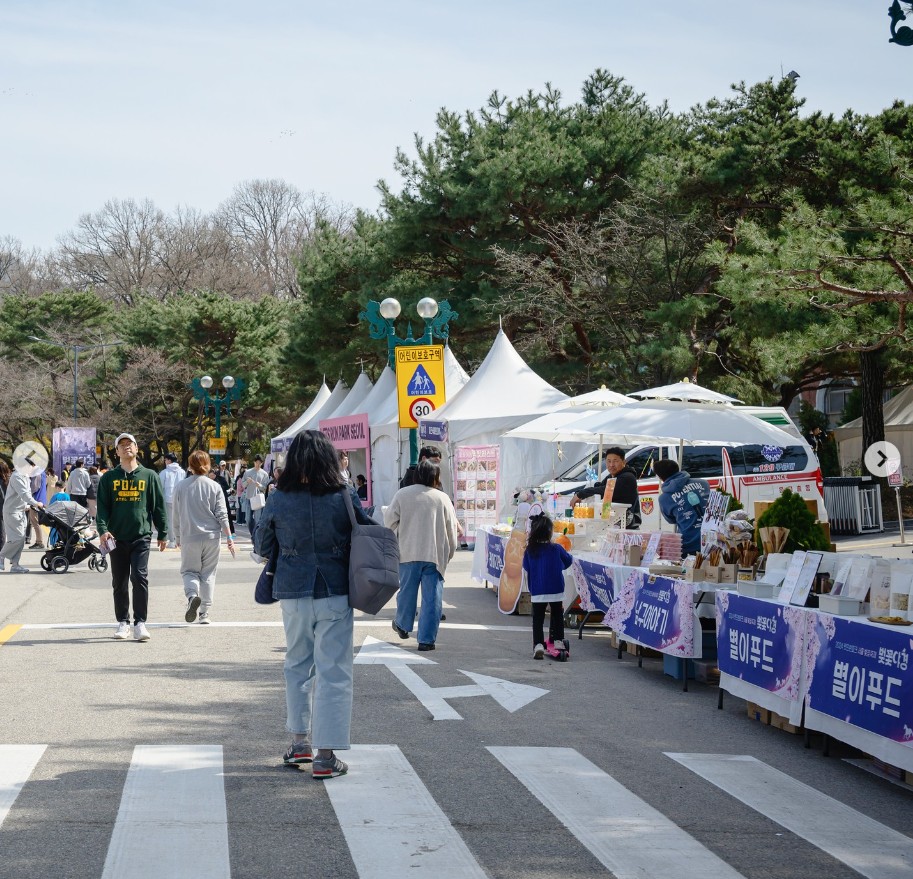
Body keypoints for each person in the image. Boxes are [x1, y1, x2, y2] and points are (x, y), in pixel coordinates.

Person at [257, 430, 374, 779]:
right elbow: (366, 530)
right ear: (328, 459)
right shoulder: (342, 494)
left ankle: (299, 743)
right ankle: (325, 756)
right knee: (333, 671)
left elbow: (264, 543)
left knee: (297, 665)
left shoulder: (279, 497)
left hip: (292, 590)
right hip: (335, 590)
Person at [96, 433, 168, 642]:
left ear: (136, 449)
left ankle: (140, 623)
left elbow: (158, 506)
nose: (126, 447)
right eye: (122, 445)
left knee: (139, 576)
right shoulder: (109, 478)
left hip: (141, 537)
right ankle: (123, 622)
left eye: (130, 444)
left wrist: (163, 532)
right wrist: (102, 530)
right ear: (116, 452)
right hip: (116, 538)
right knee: (119, 581)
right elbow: (102, 508)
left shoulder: (149, 476)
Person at [385, 459, 458, 652]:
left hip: (408, 552)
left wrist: (394, 544)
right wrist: (449, 553)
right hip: (434, 556)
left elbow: (389, 523)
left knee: (407, 592)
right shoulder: (442, 498)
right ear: (436, 478)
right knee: (432, 599)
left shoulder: (402, 495)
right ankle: (426, 640)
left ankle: (402, 624)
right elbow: (451, 530)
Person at [173, 451, 233, 625]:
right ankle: (204, 613)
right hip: (212, 536)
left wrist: (177, 536)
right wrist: (229, 536)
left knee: (189, 571)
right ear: (207, 465)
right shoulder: (214, 486)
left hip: (189, 535)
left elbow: (175, 515)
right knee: (208, 573)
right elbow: (222, 514)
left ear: (190, 466)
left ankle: (192, 596)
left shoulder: (181, 486)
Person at [523, 513, 572, 660]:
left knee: (538, 618)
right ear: (550, 532)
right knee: (557, 615)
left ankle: (538, 644)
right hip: (556, 588)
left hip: (538, 590)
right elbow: (569, 561)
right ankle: (558, 640)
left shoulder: (530, 551)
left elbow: (526, 567)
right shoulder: (556, 548)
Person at [571, 446, 642, 529]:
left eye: (615, 461)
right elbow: (598, 487)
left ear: (624, 462)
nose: (611, 465)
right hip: (612, 524)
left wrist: (581, 494)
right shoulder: (611, 477)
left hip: (627, 526)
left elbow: (605, 490)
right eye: (609, 461)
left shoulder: (628, 477)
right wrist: (578, 493)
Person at [652, 459, 711, 556]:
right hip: (713, 539)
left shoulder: (664, 498)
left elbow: (671, 520)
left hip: (689, 544)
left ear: (660, 477)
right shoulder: (703, 483)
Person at [2, 460, 43, 573]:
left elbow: (26, 494)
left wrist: (28, 505)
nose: (32, 469)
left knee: (20, 540)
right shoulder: (17, 476)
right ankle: (2, 555)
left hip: (21, 510)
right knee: (18, 537)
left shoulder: (25, 476)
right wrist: (36, 503)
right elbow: (24, 494)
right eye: (31, 466)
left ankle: (15, 565)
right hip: (12, 511)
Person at [242, 456, 270, 551]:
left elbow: (265, 488)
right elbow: (243, 485)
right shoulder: (247, 472)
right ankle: (253, 535)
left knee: (258, 520)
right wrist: (247, 481)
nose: (258, 464)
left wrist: (260, 485)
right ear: (254, 462)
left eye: (260, 462)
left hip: (258, 499)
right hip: (248, 498)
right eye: (256, 462)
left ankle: (256, 539)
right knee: (248, 519)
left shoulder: (264, 474)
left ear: (262, 463)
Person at [159, 452, 185, 549]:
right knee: (180, 519)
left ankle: (172, 541)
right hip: (180, 499)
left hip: (168, 498)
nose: (165, 462)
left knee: (170, 520)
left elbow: (160, 487)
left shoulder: (164, 473)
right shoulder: (182, 472)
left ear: (169, 460)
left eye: (165, 460)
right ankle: (180, 540)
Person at [27, 465, 48, 549]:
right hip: (40, 499)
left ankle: (39, 542)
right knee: (36, 522)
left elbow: (34, 487)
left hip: (36, 500)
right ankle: (38, 541)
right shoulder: (42, 472)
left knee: (35, 522)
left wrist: (27, 491)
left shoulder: (37, 473)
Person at [46, 480, 71, 547]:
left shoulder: (55, 496)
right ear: (64, 487)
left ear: (57, 487)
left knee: (54, 530)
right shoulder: (67, 496)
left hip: (56, 516)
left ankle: (53, 543)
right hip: (64, 516)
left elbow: (50, 506)